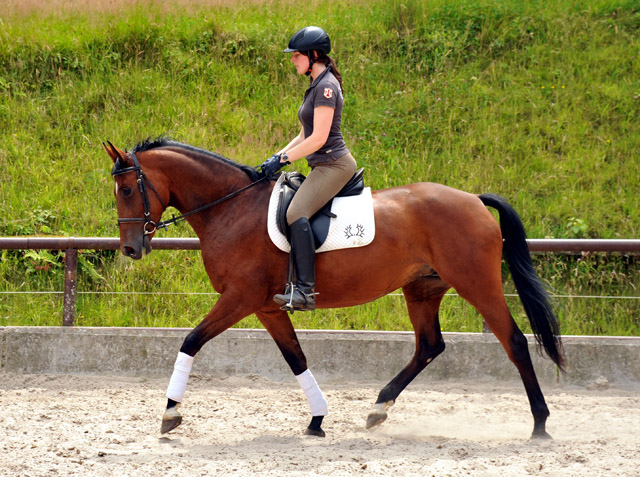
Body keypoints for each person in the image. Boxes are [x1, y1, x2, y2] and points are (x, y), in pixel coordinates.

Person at [261, 26, 357, 312]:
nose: (292, 60)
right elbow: (304, 135)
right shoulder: (316, 84)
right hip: (321, 164)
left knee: (295, 212)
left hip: (334, 165)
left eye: (296, 55)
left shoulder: (326, 87)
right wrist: (276, 156)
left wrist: (284, 160)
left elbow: (319, 138)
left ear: (313, 55)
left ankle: (304, 290)